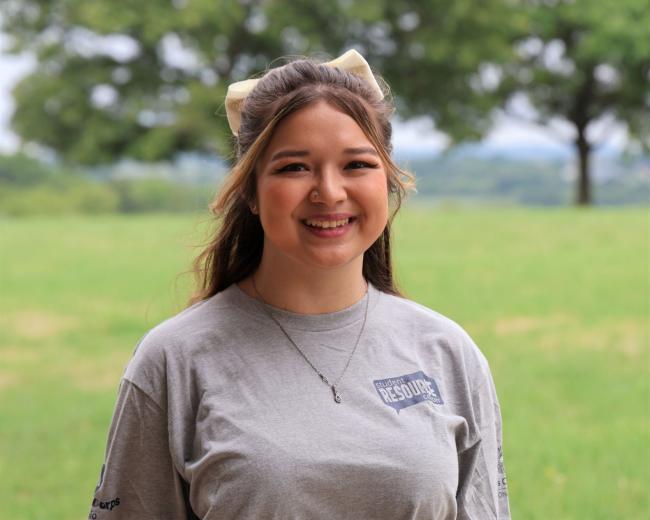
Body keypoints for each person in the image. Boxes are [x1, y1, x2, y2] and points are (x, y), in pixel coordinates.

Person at [89, 49, 510, 520]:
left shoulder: (448, 353)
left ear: (388, 182)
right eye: (294, 167)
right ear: (248, 188)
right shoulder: (174, 360)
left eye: (357, 165)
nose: (329, 192)